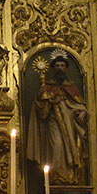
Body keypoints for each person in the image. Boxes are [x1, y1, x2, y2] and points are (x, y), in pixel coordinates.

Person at [25, 51, 88, 185]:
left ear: (66, 68)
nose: (59, 68)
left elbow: (79, 105)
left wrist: (83, 112)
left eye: (62, 65)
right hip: (54, 122)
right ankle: (56, 177)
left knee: (70, 148)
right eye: (57, 65)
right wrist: (43, 98)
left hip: (70, 124)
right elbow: (40, 110)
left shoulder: (71, 87)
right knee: (57, 146)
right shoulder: (47, 87)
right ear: (53, 68)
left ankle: (70, 177)